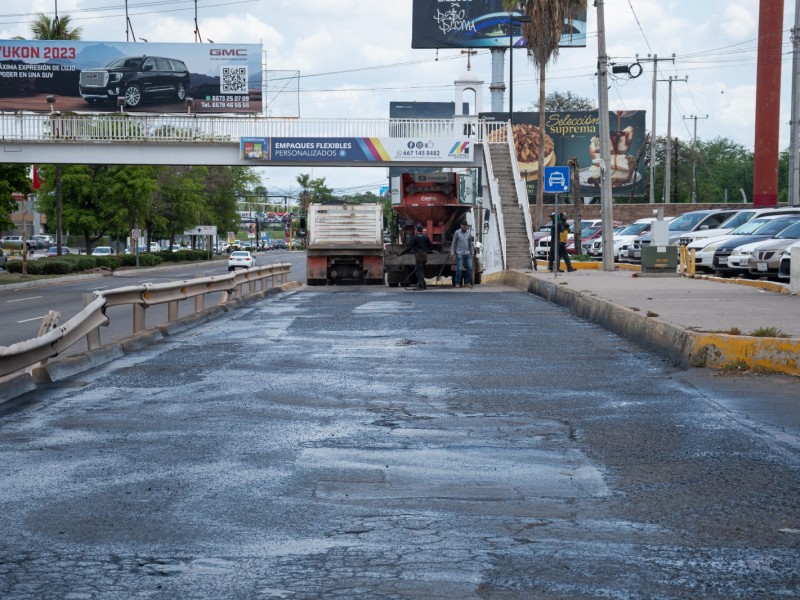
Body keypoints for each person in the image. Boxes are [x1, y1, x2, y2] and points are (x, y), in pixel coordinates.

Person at [399, 224, 432, 289]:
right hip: (425, 256)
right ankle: (424, 285)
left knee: (419, 271)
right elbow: (430, 246)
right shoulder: (426, 237)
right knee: (421, 270)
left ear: (416, 230)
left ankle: (421, 285)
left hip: (419, 256)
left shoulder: (414, 238)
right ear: (422, 230)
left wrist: (401, 253)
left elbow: (409, 248)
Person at [449, 221, 475, 288]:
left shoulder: (468, 233)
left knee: (470, 267)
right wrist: (452, 252)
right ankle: (457, 283)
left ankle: (467, 282)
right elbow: (454, 243)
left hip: (467, 253)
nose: (465, 227)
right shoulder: (457, 233)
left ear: (467, 226)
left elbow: (470, 243)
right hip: (459, 253)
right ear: (461, 225)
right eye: (463, 225)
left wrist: (472, 251)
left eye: (466, 225)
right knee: (459, 269)